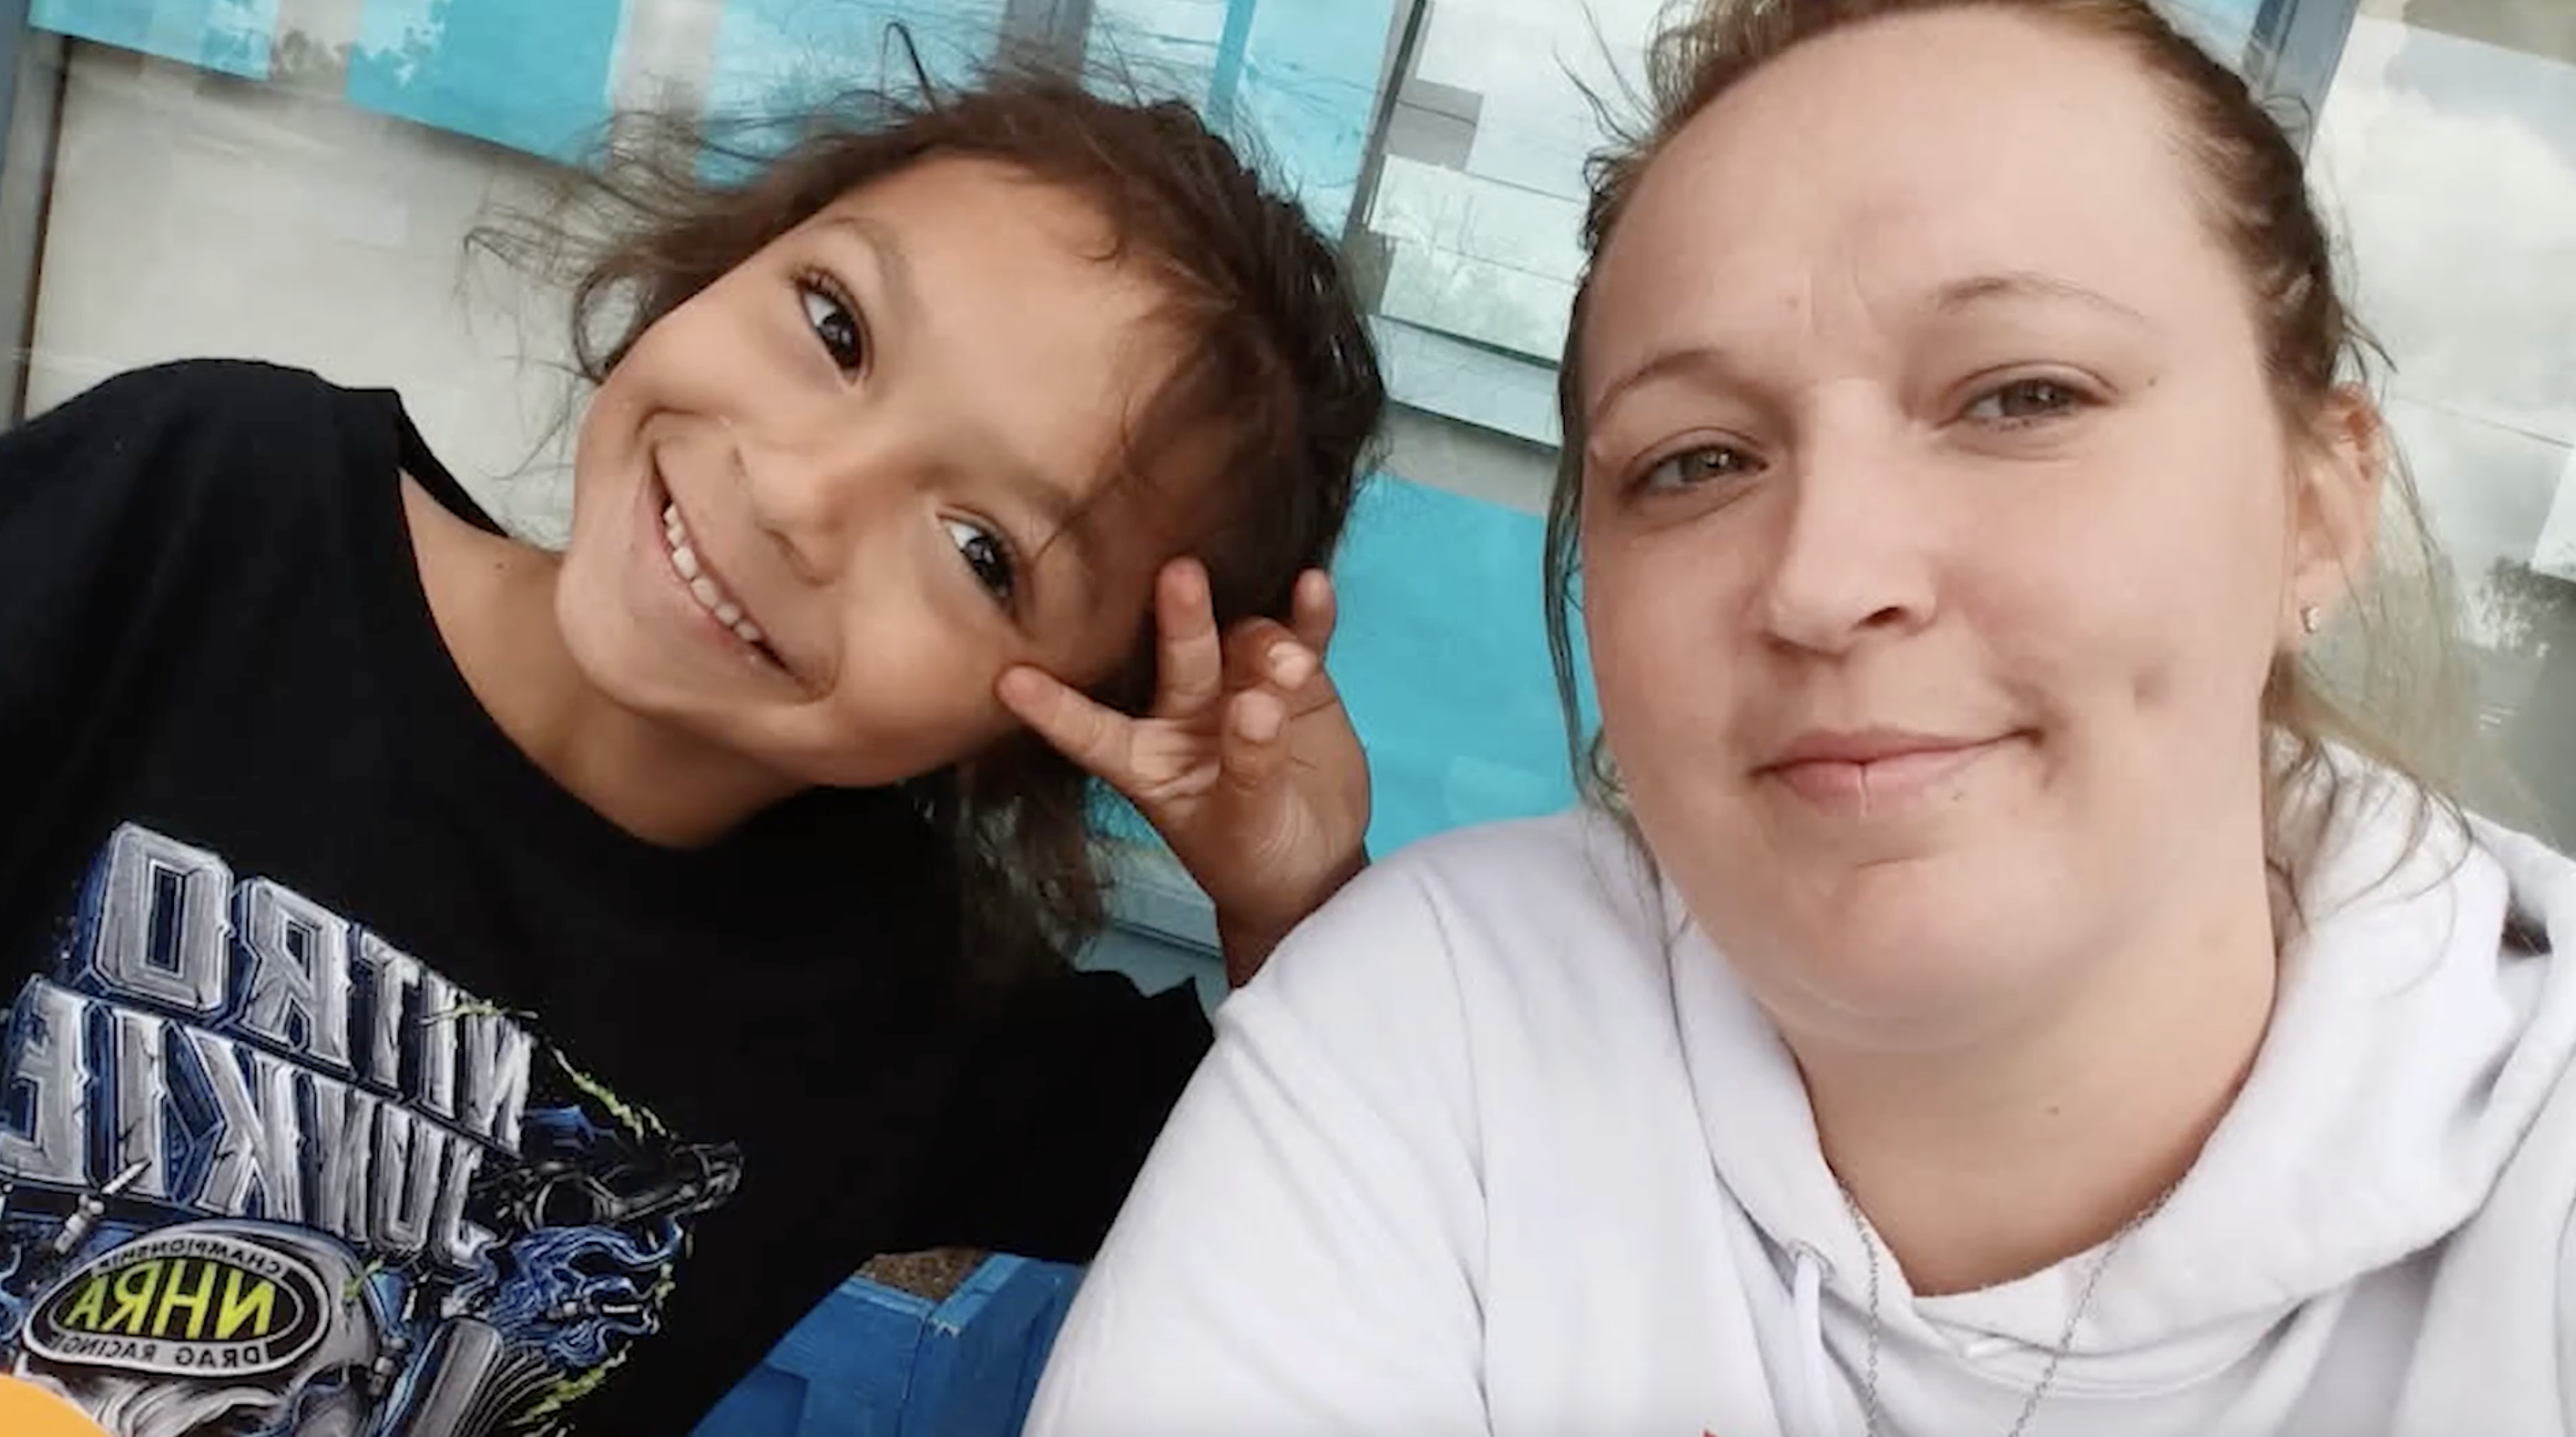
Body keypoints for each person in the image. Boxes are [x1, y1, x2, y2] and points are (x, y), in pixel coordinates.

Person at [1024, 1, 2576, 1434]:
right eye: (1695, 461)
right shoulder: (1434, 1026)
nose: (1826, 580)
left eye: (2021, 395)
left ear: (2319, 501)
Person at [0, 66, 1382, 1435]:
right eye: (837, 327)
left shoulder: (896, 1004)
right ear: (735, 256)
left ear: (1037, 725)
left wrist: (1297, 902)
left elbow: (1344, 1204)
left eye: (981, 552)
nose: (796, 495)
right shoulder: (207, 513)